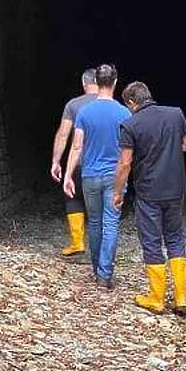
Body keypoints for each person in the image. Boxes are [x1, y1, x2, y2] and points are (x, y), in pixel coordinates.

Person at [112, 82, 186, 316]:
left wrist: (118, 192)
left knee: (151, 241)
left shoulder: (130, 125)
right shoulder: (175, 114)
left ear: (131, 102)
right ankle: (181, 299)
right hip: (176, 188)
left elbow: (125, 163)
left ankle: (156, 299)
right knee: (175, 238)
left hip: (149, 192)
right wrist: (167, 148)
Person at [64, 64, 131, 289]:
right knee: (110, 222)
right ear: (114, 82)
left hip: (89, 175)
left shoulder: (84, 112)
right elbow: (129, 150)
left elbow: (76, 146)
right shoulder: (124, 113)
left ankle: (95, 269)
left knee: (94, 222)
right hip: (115, 176)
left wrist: (68, 175)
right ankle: (105, 274)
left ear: (96, 82)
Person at [50, 68, 98, 259]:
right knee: (101, 206)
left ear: (84, 83)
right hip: (104, 165)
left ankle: (77, 243)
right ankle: (100, 251)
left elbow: (63, 134)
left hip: (79, 164)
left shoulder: (74, 105)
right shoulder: (112, 105)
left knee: (73, 197)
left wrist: (56, 160)